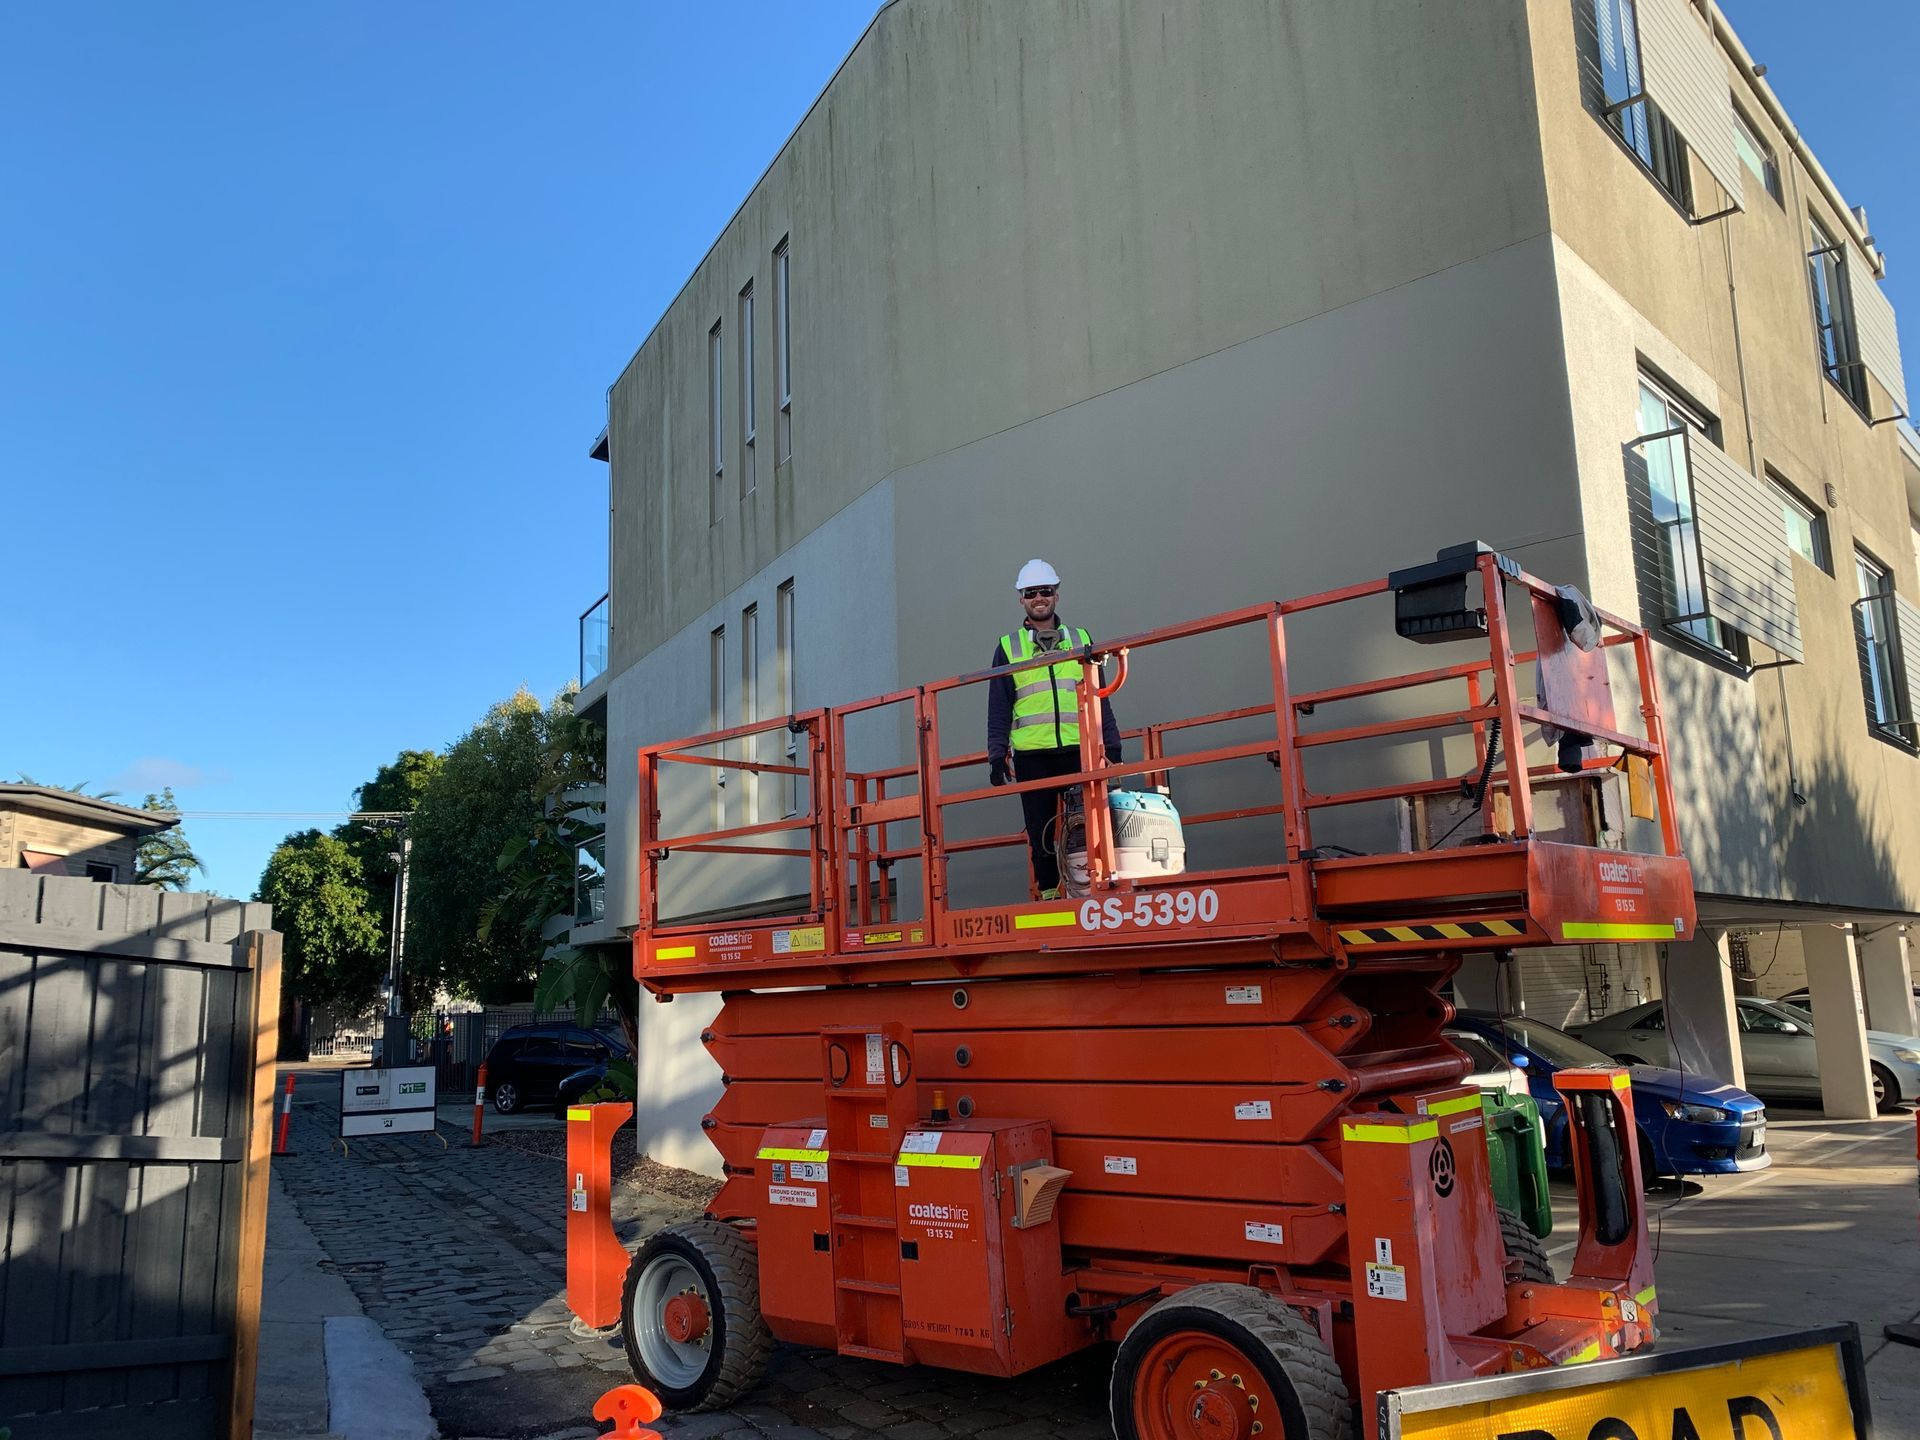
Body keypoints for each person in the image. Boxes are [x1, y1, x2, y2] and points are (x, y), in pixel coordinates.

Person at [986, 559, 1122, 900]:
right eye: (1031, 593)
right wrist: (996, 753)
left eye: (1045, 591)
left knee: (1088, 827)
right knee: (1040, 833)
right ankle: (1049, 895)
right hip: (1033, 755)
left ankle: (1092, 891)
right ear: (1021, 600)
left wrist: (1112, 747)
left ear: (1056, 596)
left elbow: (1101, 698)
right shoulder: (1008, 646)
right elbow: (999, 705)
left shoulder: (1081, 638)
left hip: (1080, 748)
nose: (1039, 598)